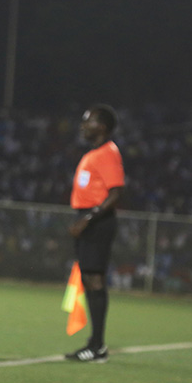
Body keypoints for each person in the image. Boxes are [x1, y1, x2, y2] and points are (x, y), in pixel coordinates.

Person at [65, 104, 124, 363]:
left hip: (97, 221)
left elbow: (115, 193)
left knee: (95, 280)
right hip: (89, 219)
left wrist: (87, 219)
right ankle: (94, 344)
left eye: (87, 120)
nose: (82, 125)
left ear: (101, 127)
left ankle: (98, 346)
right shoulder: (95, 153)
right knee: (90, 279)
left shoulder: (108, 153)